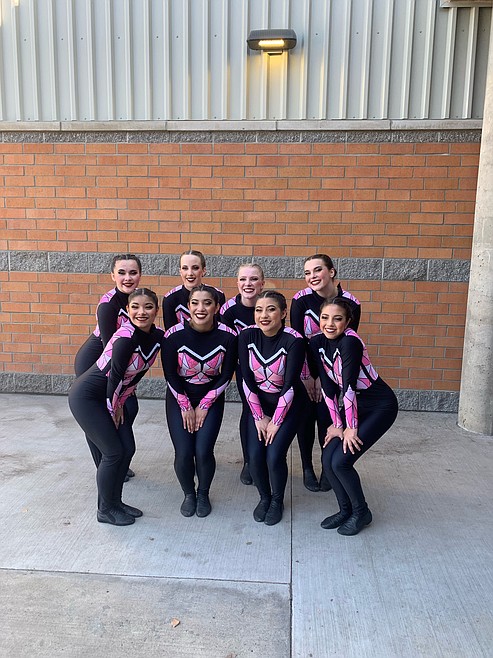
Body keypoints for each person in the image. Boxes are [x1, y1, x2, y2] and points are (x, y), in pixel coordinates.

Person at [69, 288, 165, 526]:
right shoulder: (125, 338)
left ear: (156, 310)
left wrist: (120, 401)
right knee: (113, 453)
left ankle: (116, 502)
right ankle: (104, 509)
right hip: (87, 398)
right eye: (135, 307)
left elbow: (135, 377)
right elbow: (115, 377)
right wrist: (114, 407)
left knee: (127, 448)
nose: (141, 312)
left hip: (111, 397)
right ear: (128, 310)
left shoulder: (157, 337)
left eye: (148, 307)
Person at [309, 297, 398, 535]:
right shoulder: (316, 342)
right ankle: (345, 509)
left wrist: (350, 426)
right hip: (354, 406)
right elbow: (328, 386)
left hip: (379, 406)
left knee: (341, 462)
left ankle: (361, 512)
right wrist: (337, 424)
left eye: (337, 319)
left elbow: (348, 386)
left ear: (348, 321)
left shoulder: (350, 342)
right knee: (328, 458)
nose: (330, 324)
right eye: (325, 318)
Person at [162, 284, 237, 518]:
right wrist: (185, 405)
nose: (200, 308)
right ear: (188, 306)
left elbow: (227, 374)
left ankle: (203, 493)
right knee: (184, 452)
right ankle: (189, 494)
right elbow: (170, 374)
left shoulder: (228, 335)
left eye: (207, 303)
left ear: (216, 307)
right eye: (195, 303)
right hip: (179, 397)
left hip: (211, 398)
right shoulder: (173, 335)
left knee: (203, 451)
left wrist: (204, 405)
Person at [290, 253, 361, 493]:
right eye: (307, 272)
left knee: (327, 418)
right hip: (305, 371)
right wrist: (307, 376)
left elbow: (345, 343)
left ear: (331, 272)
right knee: (305, 419)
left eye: (317, 270)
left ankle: (326, 467)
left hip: (331, 371)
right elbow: (298, 341)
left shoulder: (351, 303)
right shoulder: (300, 300)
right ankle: (307, 467)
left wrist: (324, 377)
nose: (312, 276)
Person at [238, 291, 306, 526]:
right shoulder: (246, 336)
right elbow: (246, 380)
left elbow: (289, 385)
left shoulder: (294, 340)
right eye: (259, 310)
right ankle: (264, 497)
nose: (264, 315)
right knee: (255, 456)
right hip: (258, 405)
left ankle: (277, 500)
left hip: (289, 405)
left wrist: (276, 422)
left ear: (283, 312)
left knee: (274, 455)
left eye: (271, 309)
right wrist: (259, 417)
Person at [74, 253, 143, 478]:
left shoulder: (138, 299)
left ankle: (116, 459)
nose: (127, 278)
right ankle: (106, 464)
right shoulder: (108, 305)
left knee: (130, 408)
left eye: (133, 272)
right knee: (100, 416)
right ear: (112, 275)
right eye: (121, 273)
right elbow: (110, 349)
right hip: (95, 361)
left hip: (119, 363)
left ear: (140, 275)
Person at [220, 263, 265, 485]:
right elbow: (226, 344)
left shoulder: (268, 305)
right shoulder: (228, 310)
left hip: (269, 369)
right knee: (250, 410)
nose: (248, 284)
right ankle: (249, 461)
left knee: (267, 411)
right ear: (237, 282)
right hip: (243, 368)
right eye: (243, 279)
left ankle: (264, 458)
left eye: (254, 279)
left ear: (262, 284)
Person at [162, 249, 226, 330]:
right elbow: (170, 333)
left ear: (203, 271)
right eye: (185, 268)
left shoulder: (217, 295)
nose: (190, 273)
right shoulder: (170, 298)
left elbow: (220, 329)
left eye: (195, 268)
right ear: (180, 271)